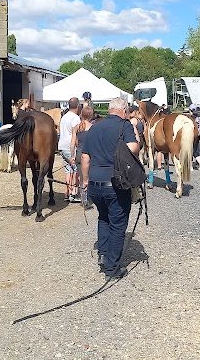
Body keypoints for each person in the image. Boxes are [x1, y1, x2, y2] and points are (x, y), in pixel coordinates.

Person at [80, 97, 139, 279]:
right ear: (123, 110)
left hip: (95, 184)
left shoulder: (94, 127)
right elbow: (133, 148)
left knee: (103, 218)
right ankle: (112, 268)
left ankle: (103, 254)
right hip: (115, 183)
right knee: (118, 223)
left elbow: (85, 158)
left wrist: (85, 180)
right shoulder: (125, 126)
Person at [70, 106, 96, 209]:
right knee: (89, 176)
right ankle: (89, 198)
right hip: (91, 154)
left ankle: (83, 199)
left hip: (79, 153)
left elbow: (73, 144)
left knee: (81, 177)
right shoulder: (93, 127)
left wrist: (72, 156)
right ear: (91, 115)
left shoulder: (76, 127)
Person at [58, 97, 81, 203]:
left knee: (68, 170)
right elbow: (75, 135)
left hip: (61, 146)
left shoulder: (64, 117)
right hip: (70, 147)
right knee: (75, 170)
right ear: (78, 106)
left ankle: (67, 193)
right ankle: (73, 193)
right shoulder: (76, 118)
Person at [187, 104, 200, 170]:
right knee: (196, 151)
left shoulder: (190, 119)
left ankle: (190, 166)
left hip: (191, 137)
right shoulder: (199, 118)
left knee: (190, 151)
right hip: (198, 136)